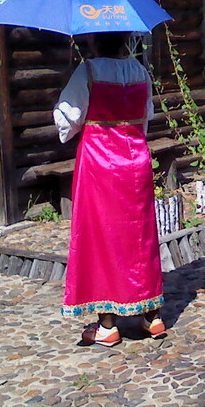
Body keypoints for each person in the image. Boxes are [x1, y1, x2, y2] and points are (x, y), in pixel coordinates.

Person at [53, 31, 165, 347]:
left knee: (101, 236)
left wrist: (62, 103)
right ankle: (152, 317)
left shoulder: (87, 71)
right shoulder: (140, 71)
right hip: (136, 160)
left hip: (100, 163)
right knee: (139, 236)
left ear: (95, 39)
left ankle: (107, 325)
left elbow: (68, 119)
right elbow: (146, 116)